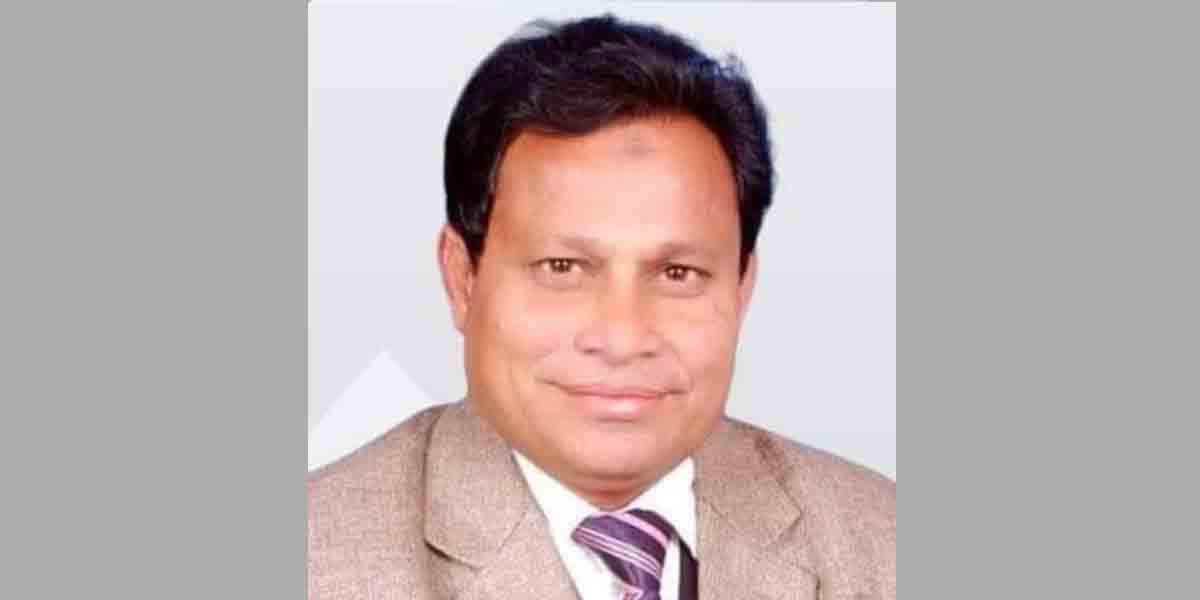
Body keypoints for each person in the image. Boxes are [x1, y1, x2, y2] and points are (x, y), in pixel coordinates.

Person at [308, 14, 895, 600]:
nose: (623, 338)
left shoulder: (884, 541)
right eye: (562, 268)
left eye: (678, 274)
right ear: (462, 278)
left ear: (742, 288)